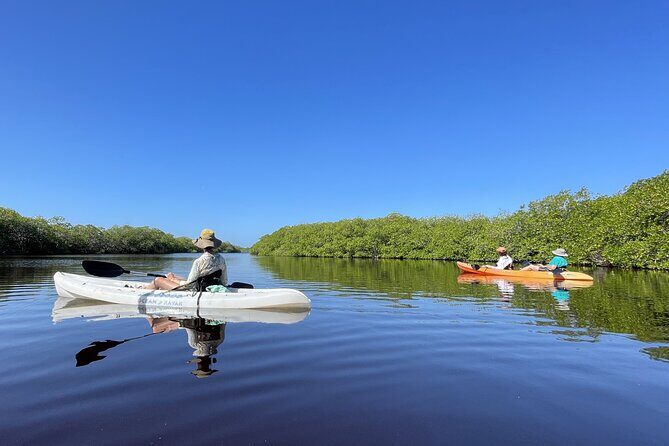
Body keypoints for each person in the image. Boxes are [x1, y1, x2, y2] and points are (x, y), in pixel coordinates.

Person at [145, 229, 228, 290]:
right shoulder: (221, 259)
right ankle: (148, 287)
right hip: (206, 286)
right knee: (175, 276)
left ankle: (141, 292)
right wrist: (174, 278)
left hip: (195, 290)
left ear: (201, 245)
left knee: (157, 280)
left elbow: (189, 286)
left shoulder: (199, 261)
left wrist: (173, 280)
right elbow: (224, 282)